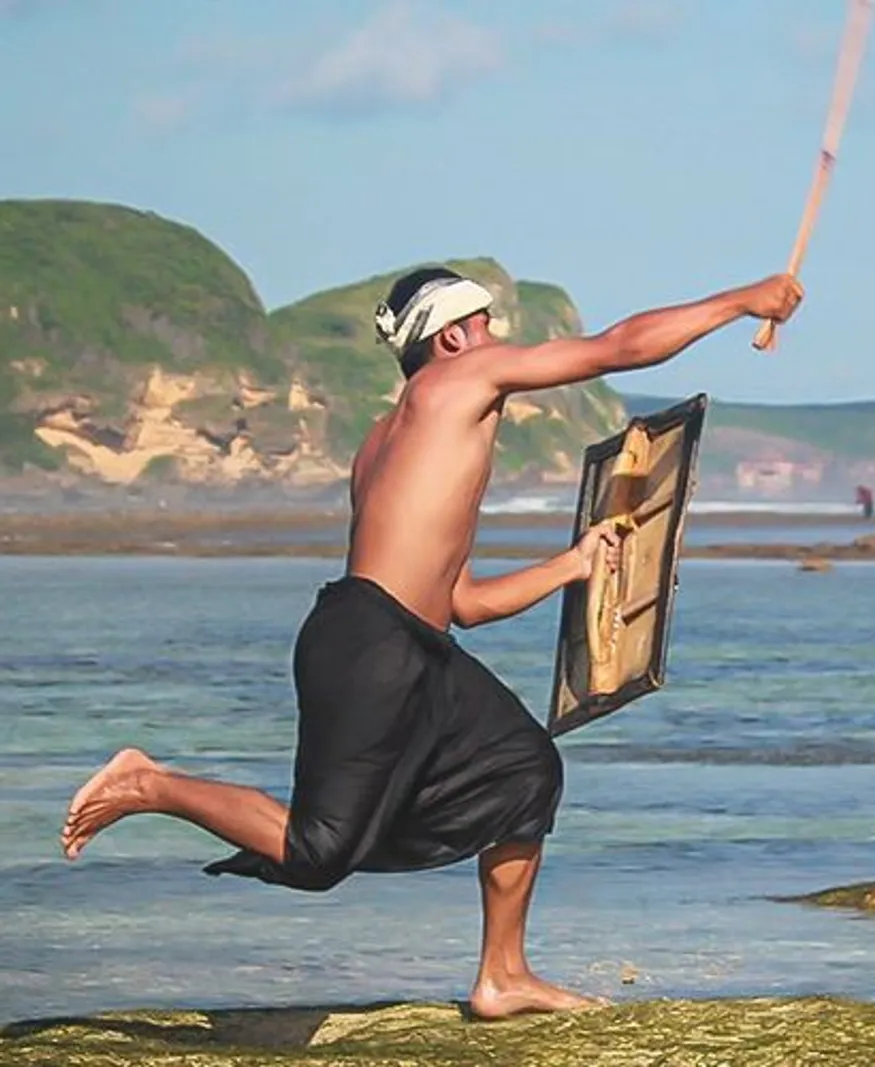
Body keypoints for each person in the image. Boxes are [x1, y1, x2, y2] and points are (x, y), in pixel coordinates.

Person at [59, 265, 805, 1018]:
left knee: (524, 771)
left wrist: (571, 567)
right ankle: (148, 782)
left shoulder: (390, 439)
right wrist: (741, 301)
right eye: (485, 325)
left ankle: (502, 975)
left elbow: (463, 603)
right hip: (371, 643)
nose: (497, 340)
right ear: (452, 337)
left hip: (406, 642)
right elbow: (617, 348)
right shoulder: (457, 382)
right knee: (319, 852)